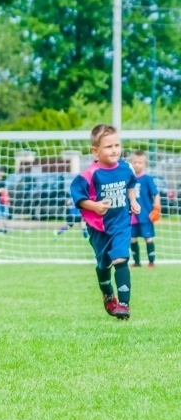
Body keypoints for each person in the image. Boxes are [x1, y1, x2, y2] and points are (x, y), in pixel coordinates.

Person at [70, 124, 139, 320]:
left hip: (122, 223)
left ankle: (124, 304)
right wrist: (95, 206)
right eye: (109, 146)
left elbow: (131, 185)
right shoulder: (90, 174)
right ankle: (108, 293)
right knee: (104, 265)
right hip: (99, 228)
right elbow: (78, 196)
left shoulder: (125, 167)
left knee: (121, 259)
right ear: (95, 151)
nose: (115, 150)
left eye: (117, 145)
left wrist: (133, 202)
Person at [129, 149, 161, 268]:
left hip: (145, 215)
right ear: (131, 163)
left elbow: (156, 194)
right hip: (132, 215)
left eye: (140, 162)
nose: (137, 164)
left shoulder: (147, 179)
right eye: (135, 162)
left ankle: (151, 261)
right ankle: (136, 262)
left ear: (144, 164)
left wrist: (156, 209)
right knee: (132, 239)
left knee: (148, 238)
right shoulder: (129, 178)